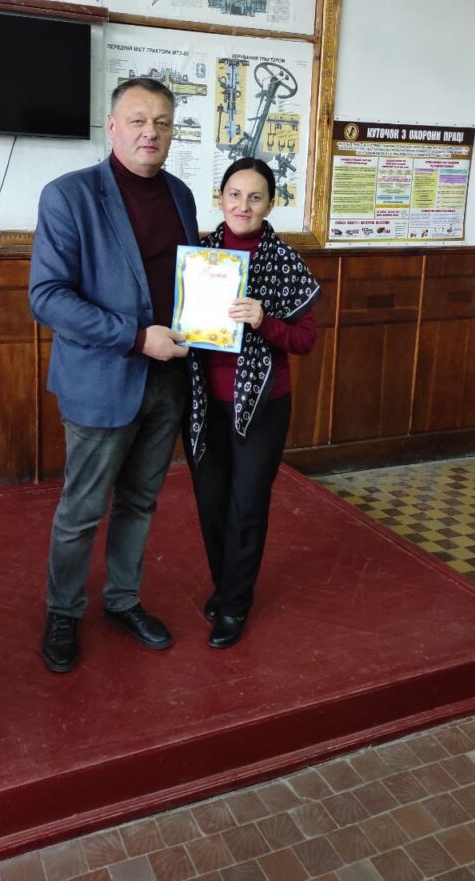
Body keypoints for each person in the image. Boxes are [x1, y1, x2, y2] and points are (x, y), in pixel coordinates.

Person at [29, 77, 199, 673]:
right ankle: (63, 611)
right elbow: (47, 297)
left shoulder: (181, 196)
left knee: (140, 502)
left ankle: (123, 600)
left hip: (168, 380)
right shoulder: (68, 196)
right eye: (137, 120)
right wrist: (135, 336)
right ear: (111, 127)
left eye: (162, 122)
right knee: (81, 510)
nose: (151, 132)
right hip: (102, 381)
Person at [185, 157, 320, 649]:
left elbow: (305, 340)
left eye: (255, 197)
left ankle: (236, 603)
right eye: (235, 195)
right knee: (211, 501)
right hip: (204, 401)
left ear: (270, 204)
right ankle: (225, 584)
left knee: (247, 504)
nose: (243, 205)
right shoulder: (200, 256)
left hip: (263, 404)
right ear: (220, 199)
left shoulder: (284, 260)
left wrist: (264, 321)